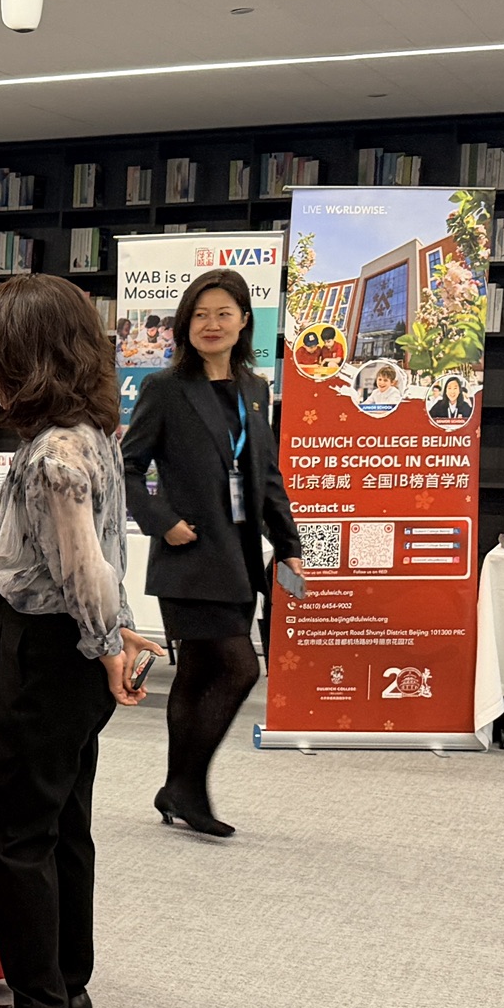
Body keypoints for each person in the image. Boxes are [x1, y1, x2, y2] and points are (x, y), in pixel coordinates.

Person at [0, 274, 162, 1008]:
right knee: (63, 824)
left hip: (45, 651)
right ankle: (64, 987)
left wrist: (109, 644)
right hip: (69, 649)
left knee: (15, 833)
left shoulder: (52, 455)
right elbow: (106, 553)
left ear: (26, 356)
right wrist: (114, 634)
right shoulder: (91, 433)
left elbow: (82, 569)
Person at [121, 269, 304, 838]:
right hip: (190, 554)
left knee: (200, 673)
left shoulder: (254, 389)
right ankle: (186, 787)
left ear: (244, 320)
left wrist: (289, 545)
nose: (211, 324)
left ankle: (179, 789)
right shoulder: (165, 387)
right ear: (185, 324)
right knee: (240, 667)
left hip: (239, 556)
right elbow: (126, 468)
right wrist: (162, 521)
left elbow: (266, 476)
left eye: (224, 313)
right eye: (200, 315)